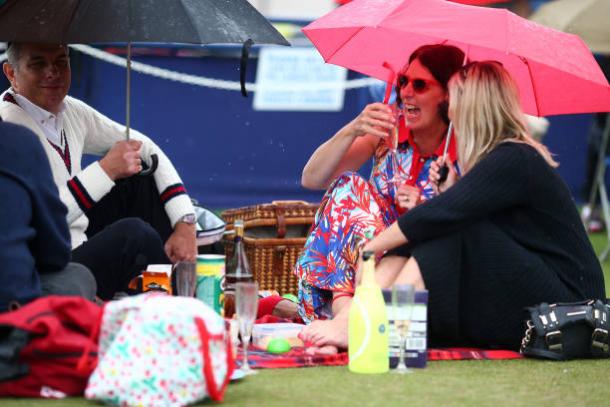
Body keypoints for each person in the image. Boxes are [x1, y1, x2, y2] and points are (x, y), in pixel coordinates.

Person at [359, 61, 605, 350]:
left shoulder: (515, 157)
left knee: (448, 228)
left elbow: (440, 216)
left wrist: (370, 248)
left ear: (468, 106)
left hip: (570, 307)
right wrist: (450, 190)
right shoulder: (504, 159)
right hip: (540, 295)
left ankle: (386, 333)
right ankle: (365, 321)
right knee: (445, 228)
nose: (447, 108)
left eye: (451, 98)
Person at [0, 43, 197, 300]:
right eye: (38, 64)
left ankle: (167, 290)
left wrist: (185, 222)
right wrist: (105, 171)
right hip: (42, 270)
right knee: (134, 234)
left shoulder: (71, 110)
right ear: (11, 73)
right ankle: (175, 303)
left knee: (140, 180)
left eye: (61, 62)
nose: (53, 72)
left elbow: (145, 147)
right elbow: (39, 223)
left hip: (75, 243)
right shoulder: (8, 127)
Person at [295, 45, 465, 331]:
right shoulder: (388, 129)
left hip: (413, 275)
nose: (406, 92)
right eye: (403, 81)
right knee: (348, 185)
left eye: (420, 84)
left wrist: (425, 207)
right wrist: (353, 129)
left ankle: (348, 320)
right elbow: (312, 178)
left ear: (447, 94)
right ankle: (343, 309)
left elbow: (463, 224)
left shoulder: (464, 145)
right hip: (356, 272)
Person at [0, 121, 96, 311]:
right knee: (76, 275)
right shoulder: (18, 139)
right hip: (11, 315)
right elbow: (55, 253)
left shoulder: (78, 114)